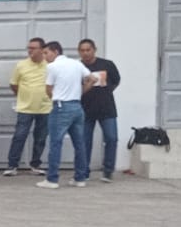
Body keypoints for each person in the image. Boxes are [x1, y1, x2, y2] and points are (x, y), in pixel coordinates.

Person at [39, 41, 96, 189]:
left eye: (46, 53)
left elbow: (48, 89)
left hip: (60, 106)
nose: (44, 56)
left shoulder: (52, 67)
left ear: (55, 52)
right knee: (79, 143)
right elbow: (92, 79)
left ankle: (52, 179)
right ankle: (80, 178)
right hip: (77, 106)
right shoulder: (76, 64)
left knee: (55, 143)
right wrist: (80, 92)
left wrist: (56, 97)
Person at [3, 38, 50, 177]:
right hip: (25, 108)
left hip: (45, 107)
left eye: (34, 48)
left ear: (42, 50)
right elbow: (13, 84)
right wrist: (23, 96)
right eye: (29, 47)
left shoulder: (50, 65)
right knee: (19, 136)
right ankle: (12, 165)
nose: (30, 50)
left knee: (40, 137)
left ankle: (35, 165)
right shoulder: (21, 65)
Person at [78, 39, 122, 182]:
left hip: (106, 108)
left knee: (111, 138)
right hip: (85, 109)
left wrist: (106, 91)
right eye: (82, 50)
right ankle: (84, 171)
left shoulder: (107, 64)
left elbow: (116, 80)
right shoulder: (77, 67)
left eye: (88, 50)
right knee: (85, 141)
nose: (85, 53)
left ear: (94, 50)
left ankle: (108, 171)